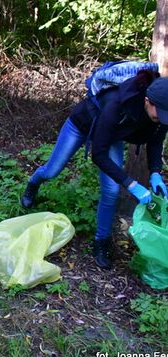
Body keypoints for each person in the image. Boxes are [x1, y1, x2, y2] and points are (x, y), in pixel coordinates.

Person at [20, 69, 168, 270]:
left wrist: (155, 173)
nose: (162, 119)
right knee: (51, 171)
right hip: (81, 123)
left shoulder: (161, 114)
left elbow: (156, 142)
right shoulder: (118, 103)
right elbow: (98, 154)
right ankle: (33, 183)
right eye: (159, 114)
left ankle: (101, 241)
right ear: (147, 101)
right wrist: (131, 184)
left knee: (112, 191)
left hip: (111, 135)